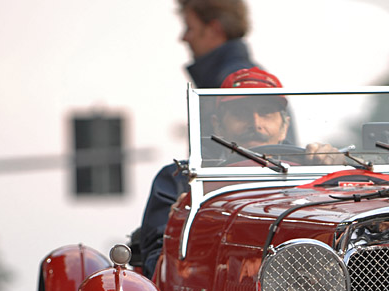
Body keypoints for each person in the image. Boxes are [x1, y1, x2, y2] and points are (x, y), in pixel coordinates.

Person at [137, 68, 336, 276]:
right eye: (241, 113)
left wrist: (333, 168)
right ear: (218, 125)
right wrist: (178, 227)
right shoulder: (182, 179)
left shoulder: (316, 174)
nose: (255, 123)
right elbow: (156, 266)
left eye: (266, 112)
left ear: (284, 126)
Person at [179, 0, 257, 88]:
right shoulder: (239, 78)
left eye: (189, 28)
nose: (183, 38)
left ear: (214, 30)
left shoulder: (240, 81)